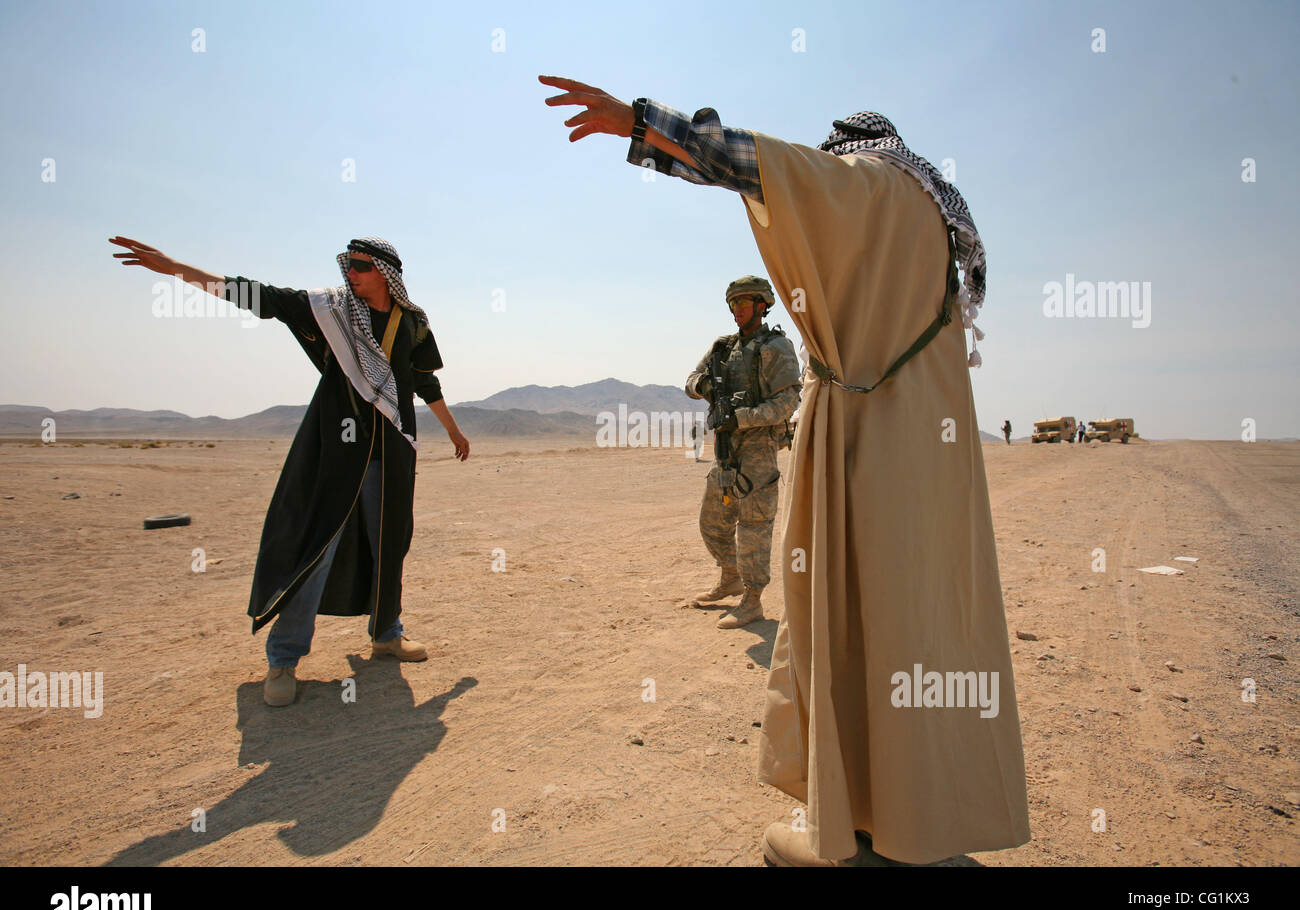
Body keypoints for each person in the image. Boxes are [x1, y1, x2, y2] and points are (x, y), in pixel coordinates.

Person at [541, 76, 1030, 866]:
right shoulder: (935, 224)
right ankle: (923, 821)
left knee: (846, 616)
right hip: (934, 454)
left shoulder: (870, 184)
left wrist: (642, 122)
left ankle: (858, 829)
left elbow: (759, 167)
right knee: (922, 622)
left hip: (867, 441)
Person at [109, 236, 470, 707]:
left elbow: (424, 380)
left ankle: (387, 634)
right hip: (336, 451)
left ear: (385, 271)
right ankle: (283, 660)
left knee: (390, 541)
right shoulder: (330, 310)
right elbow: (260, 296)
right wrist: (177, 269)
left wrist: (454, 431)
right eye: (347, 265)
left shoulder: (412, 322)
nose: (350, 274)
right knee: (316, 548)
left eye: (359, 266)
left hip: (394, 451)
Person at [685, 276, 800, 629]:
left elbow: (788, 401)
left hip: (759, 449)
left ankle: (752, 600)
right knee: (712, 523)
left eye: (744, 304)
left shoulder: (776, 347)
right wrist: (705, 387)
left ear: (762, 305)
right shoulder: (723, 348)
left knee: (754, 527)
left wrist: (742, 417)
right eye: (733, 304)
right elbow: (690, 380)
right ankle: (730, 575)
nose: (737, 311)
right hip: (725, 447)